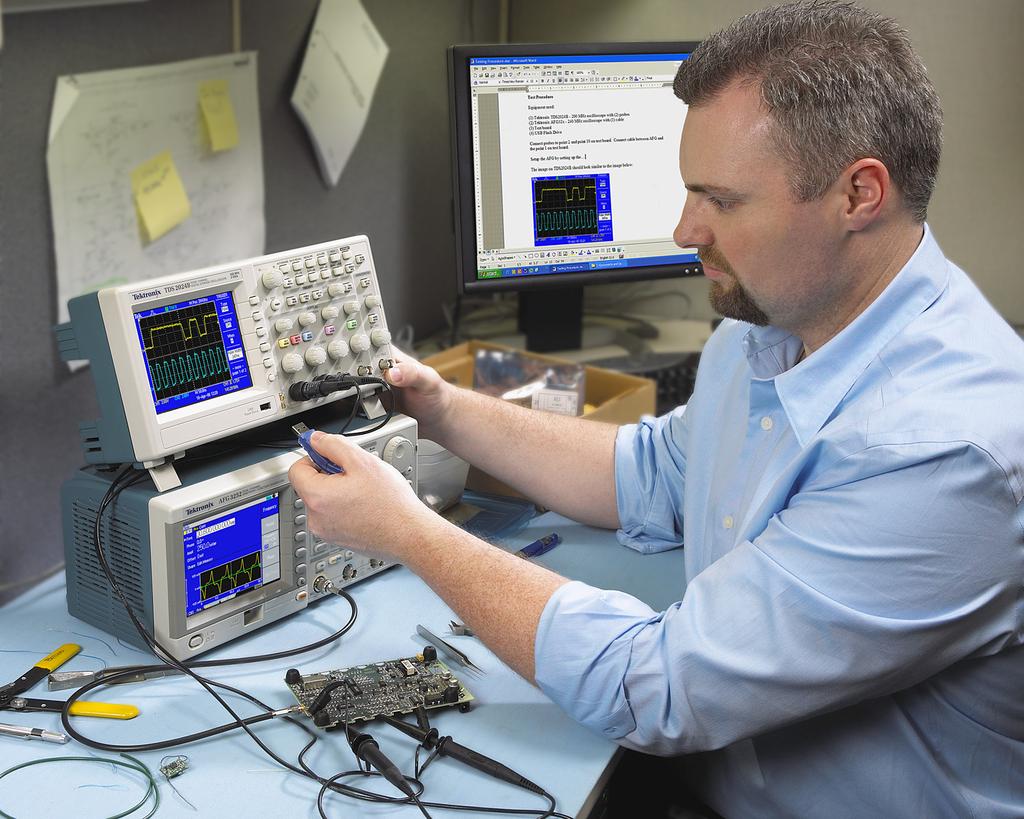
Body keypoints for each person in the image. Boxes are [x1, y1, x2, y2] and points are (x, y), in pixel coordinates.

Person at [290, 2, 1024, 815]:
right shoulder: (776, 327)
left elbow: (655, 686)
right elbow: (651, 474)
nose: (684, 230)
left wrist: (409, 531)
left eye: (722, 201)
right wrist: (445, 409)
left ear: (860, 194)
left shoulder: (942, 451)